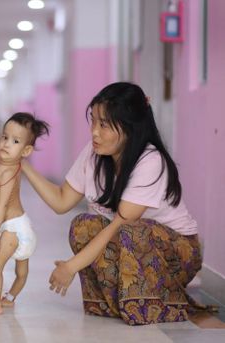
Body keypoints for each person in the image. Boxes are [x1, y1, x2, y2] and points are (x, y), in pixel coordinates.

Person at [21, 82, 204, 325]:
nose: (94, 132)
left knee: (130, 230)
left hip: (178, 253)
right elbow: (61, 201)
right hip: (128, 244)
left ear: (130, 127)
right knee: (83, 225)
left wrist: (71, 266)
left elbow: (120, 224)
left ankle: (156, 303)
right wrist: (21, 165)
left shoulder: (150, 160)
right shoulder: (95, 153)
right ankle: (118, 304)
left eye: (104, 125)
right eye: (93, 121)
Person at [0, 113, 49, 315]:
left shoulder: (9, 172)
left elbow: (2, 205)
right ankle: (10, 298)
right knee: (21, 272)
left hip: (14, 228)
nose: (6, 144)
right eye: (4, 137)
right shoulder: (1, 160)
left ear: (26, 150)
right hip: (22, 225)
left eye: (15, 141)